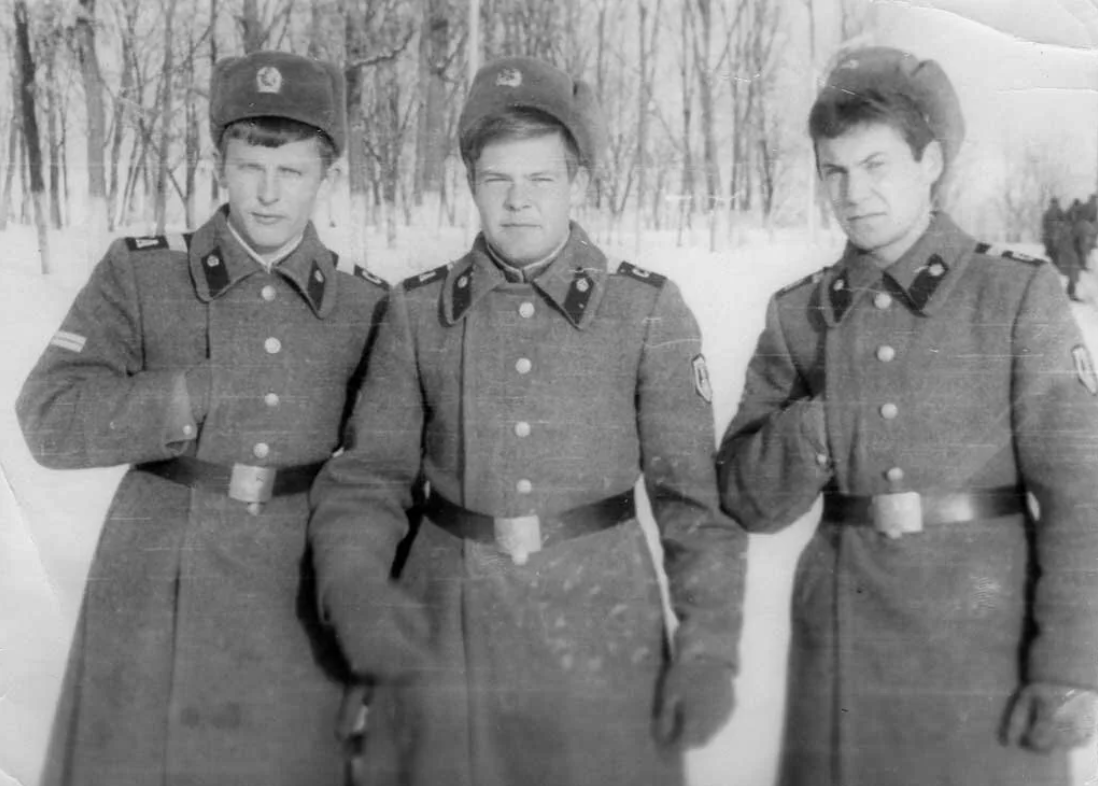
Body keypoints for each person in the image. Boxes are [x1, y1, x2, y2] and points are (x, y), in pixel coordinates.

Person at [308, 55, 746, 786]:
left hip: (601, 641)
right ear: (471, 183)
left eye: (541, 179)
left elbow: (693, 508)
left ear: (576, 182)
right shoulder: (416, 314)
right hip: (445, 637)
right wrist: (358, 595)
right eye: (497, 180)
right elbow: (369, 482)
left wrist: (708, 652)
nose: (518, 202)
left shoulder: (645, 312)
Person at [717, 46, 1098, 786]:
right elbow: (742, 497)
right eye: (835, 169)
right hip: (844, 652)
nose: (853, 192)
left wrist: (1071, 664)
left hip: (986, 657)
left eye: (877, 164)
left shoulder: (1014, 296)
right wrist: (818, 428)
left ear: (930, 163)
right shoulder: (799, 313)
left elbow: (1083, 496)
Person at [17, 51, 388, 786]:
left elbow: (387, 469)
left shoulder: (363, 304)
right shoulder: (143, 273)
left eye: (294, 172)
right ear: (219, 162)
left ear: (326, 176)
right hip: (158, 582)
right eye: (251, 166)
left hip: (298, 592)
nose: (270, 194)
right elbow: (49, 416)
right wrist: (189, 394)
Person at [1041, 195, 1064, 264]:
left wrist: (1057, 224)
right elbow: (1044, 223)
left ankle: (1054, 262)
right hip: (1052, 235)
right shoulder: (1050, 212)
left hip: (1054, 234)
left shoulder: (1057, 211)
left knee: (1053, 251)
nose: (1054, 204)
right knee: (1053, 251)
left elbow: (1063, 221)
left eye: (1054, 202)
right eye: (1053, 202)